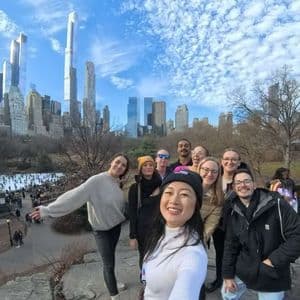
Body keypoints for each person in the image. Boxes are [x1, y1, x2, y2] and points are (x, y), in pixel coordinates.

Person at [30, 153, 130, 300]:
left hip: (115, 227)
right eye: (118, 162)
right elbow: (74, 196)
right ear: (111, 162)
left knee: (111, 259)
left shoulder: (117, 182)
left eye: (123, 165)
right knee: (108, 264)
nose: (120, 166)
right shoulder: (96, 181)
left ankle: (112, 281)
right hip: (101, 230)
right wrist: (48, 210)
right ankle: (114, 295)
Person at [222, 169, 300, 300]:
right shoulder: (233, 210)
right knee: (227, 294)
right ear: (234, 188)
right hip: (245, 267)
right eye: (238, 183)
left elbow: (297, 235)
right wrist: (227, 275)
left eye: (247, 181)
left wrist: (273, 261)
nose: (243, 185)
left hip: (273, 271)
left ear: (254, 184)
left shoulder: (277, 205)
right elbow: (230, 245)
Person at [142, 170, 208, 300]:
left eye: (184, 194)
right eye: (168, 192)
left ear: (196, 205)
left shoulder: (193, 255)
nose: (174, 200)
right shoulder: (160, 232)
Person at [206, 148, 243, 293]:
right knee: (221, 254)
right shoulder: (215, 178)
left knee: (236, 254)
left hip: (237, 225)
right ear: (222, 161)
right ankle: (219, 280)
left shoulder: (242, 179)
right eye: (226, 159)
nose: (230, 162)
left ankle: (235, 281)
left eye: (234, 159)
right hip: (219, 226)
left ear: (239, 162)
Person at [128, 156, 162, 267]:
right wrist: (132, 236)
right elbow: (132, 213)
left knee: (159, 255)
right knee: (144, 256)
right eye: (145, 165)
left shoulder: (161, 185)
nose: (148, 167)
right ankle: (145, 279)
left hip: (159, 226)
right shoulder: (135, 188)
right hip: (142, 229)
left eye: (151, 165)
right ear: (140, 169)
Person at [198, 157, 223, 243]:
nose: (209, 174)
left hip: (196, 238)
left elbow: (210, 225)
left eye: (214, 171)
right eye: (206, 169)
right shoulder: (186, 188)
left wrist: (198, 242)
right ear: (199, 169)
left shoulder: (218, 197)